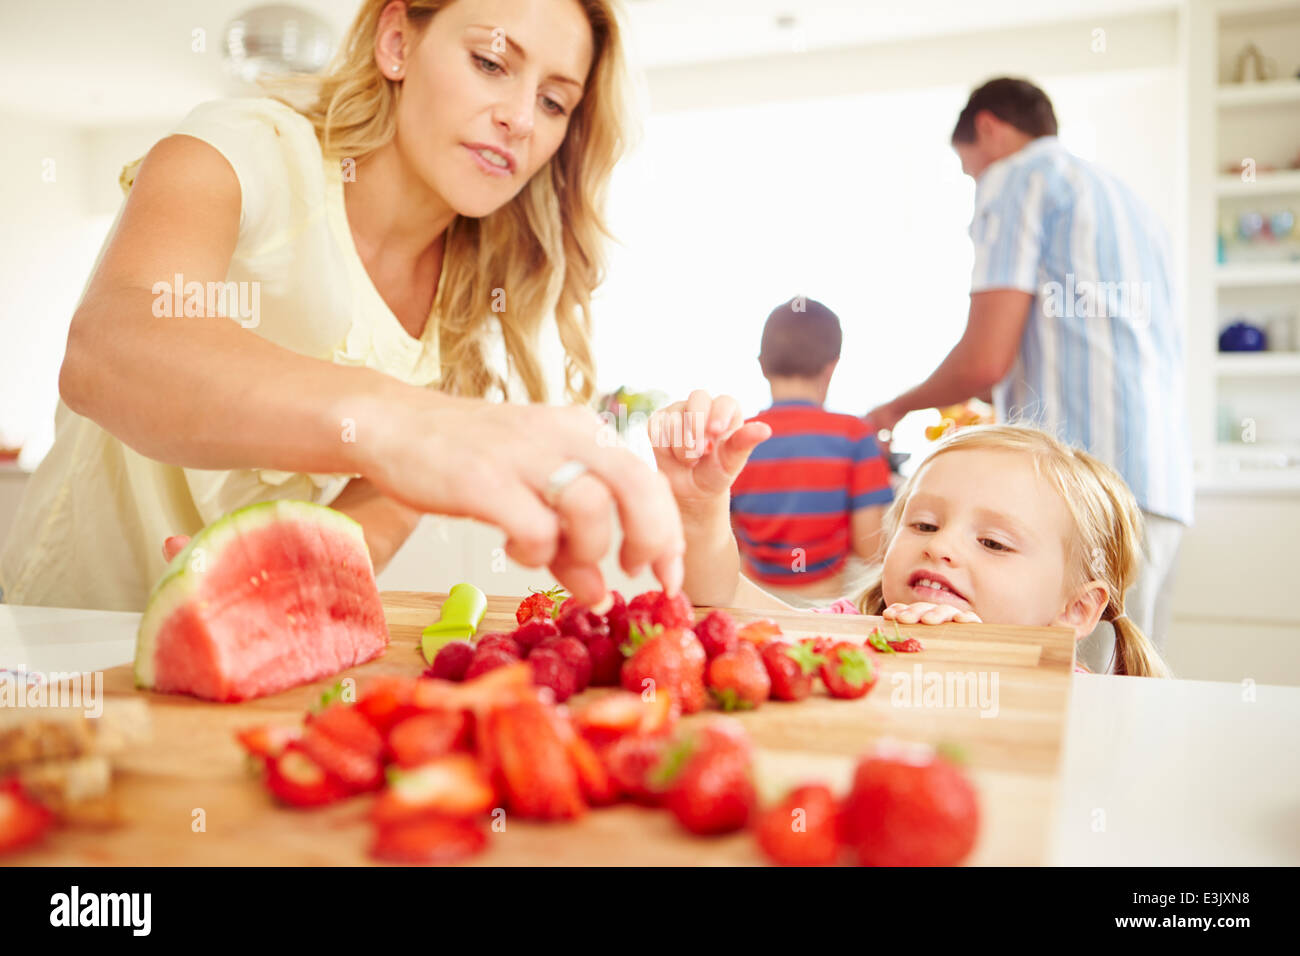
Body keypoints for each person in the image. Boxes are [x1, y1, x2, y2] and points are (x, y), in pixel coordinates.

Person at [0, 0, 683, 612]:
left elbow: (374, 510)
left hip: (234, 681)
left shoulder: (475, 298)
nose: (520, 118)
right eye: (490, 62)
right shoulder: (245, 149)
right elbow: (109, 350)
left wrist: (294, 579)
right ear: (396, 43)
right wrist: (402, 421)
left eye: (555, 103)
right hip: (63, 639)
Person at [863, 77, 1192, 674]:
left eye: (968, 170)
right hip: (1160, 483)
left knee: (1050, 705)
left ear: (987, 128)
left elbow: (985, 359)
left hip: (1076, 488)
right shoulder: (1126, 200)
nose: (975, 182)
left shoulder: (1019, 177)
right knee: (1118, 694)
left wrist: (889, 411)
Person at [652, 392, 1171, 678]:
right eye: (923, 524)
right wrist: (699, 510)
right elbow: (722, 604)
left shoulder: (1074, 697)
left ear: (1076, 610)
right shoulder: (852, 630)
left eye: (992, 543)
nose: (939, 546)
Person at [729, 297, 892, 604]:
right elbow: (870, 548)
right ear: (832, 367)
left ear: (762, 366)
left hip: (751, 600)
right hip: (826, 604)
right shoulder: (855, 436)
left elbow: (729, 534)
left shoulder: (740, 438)